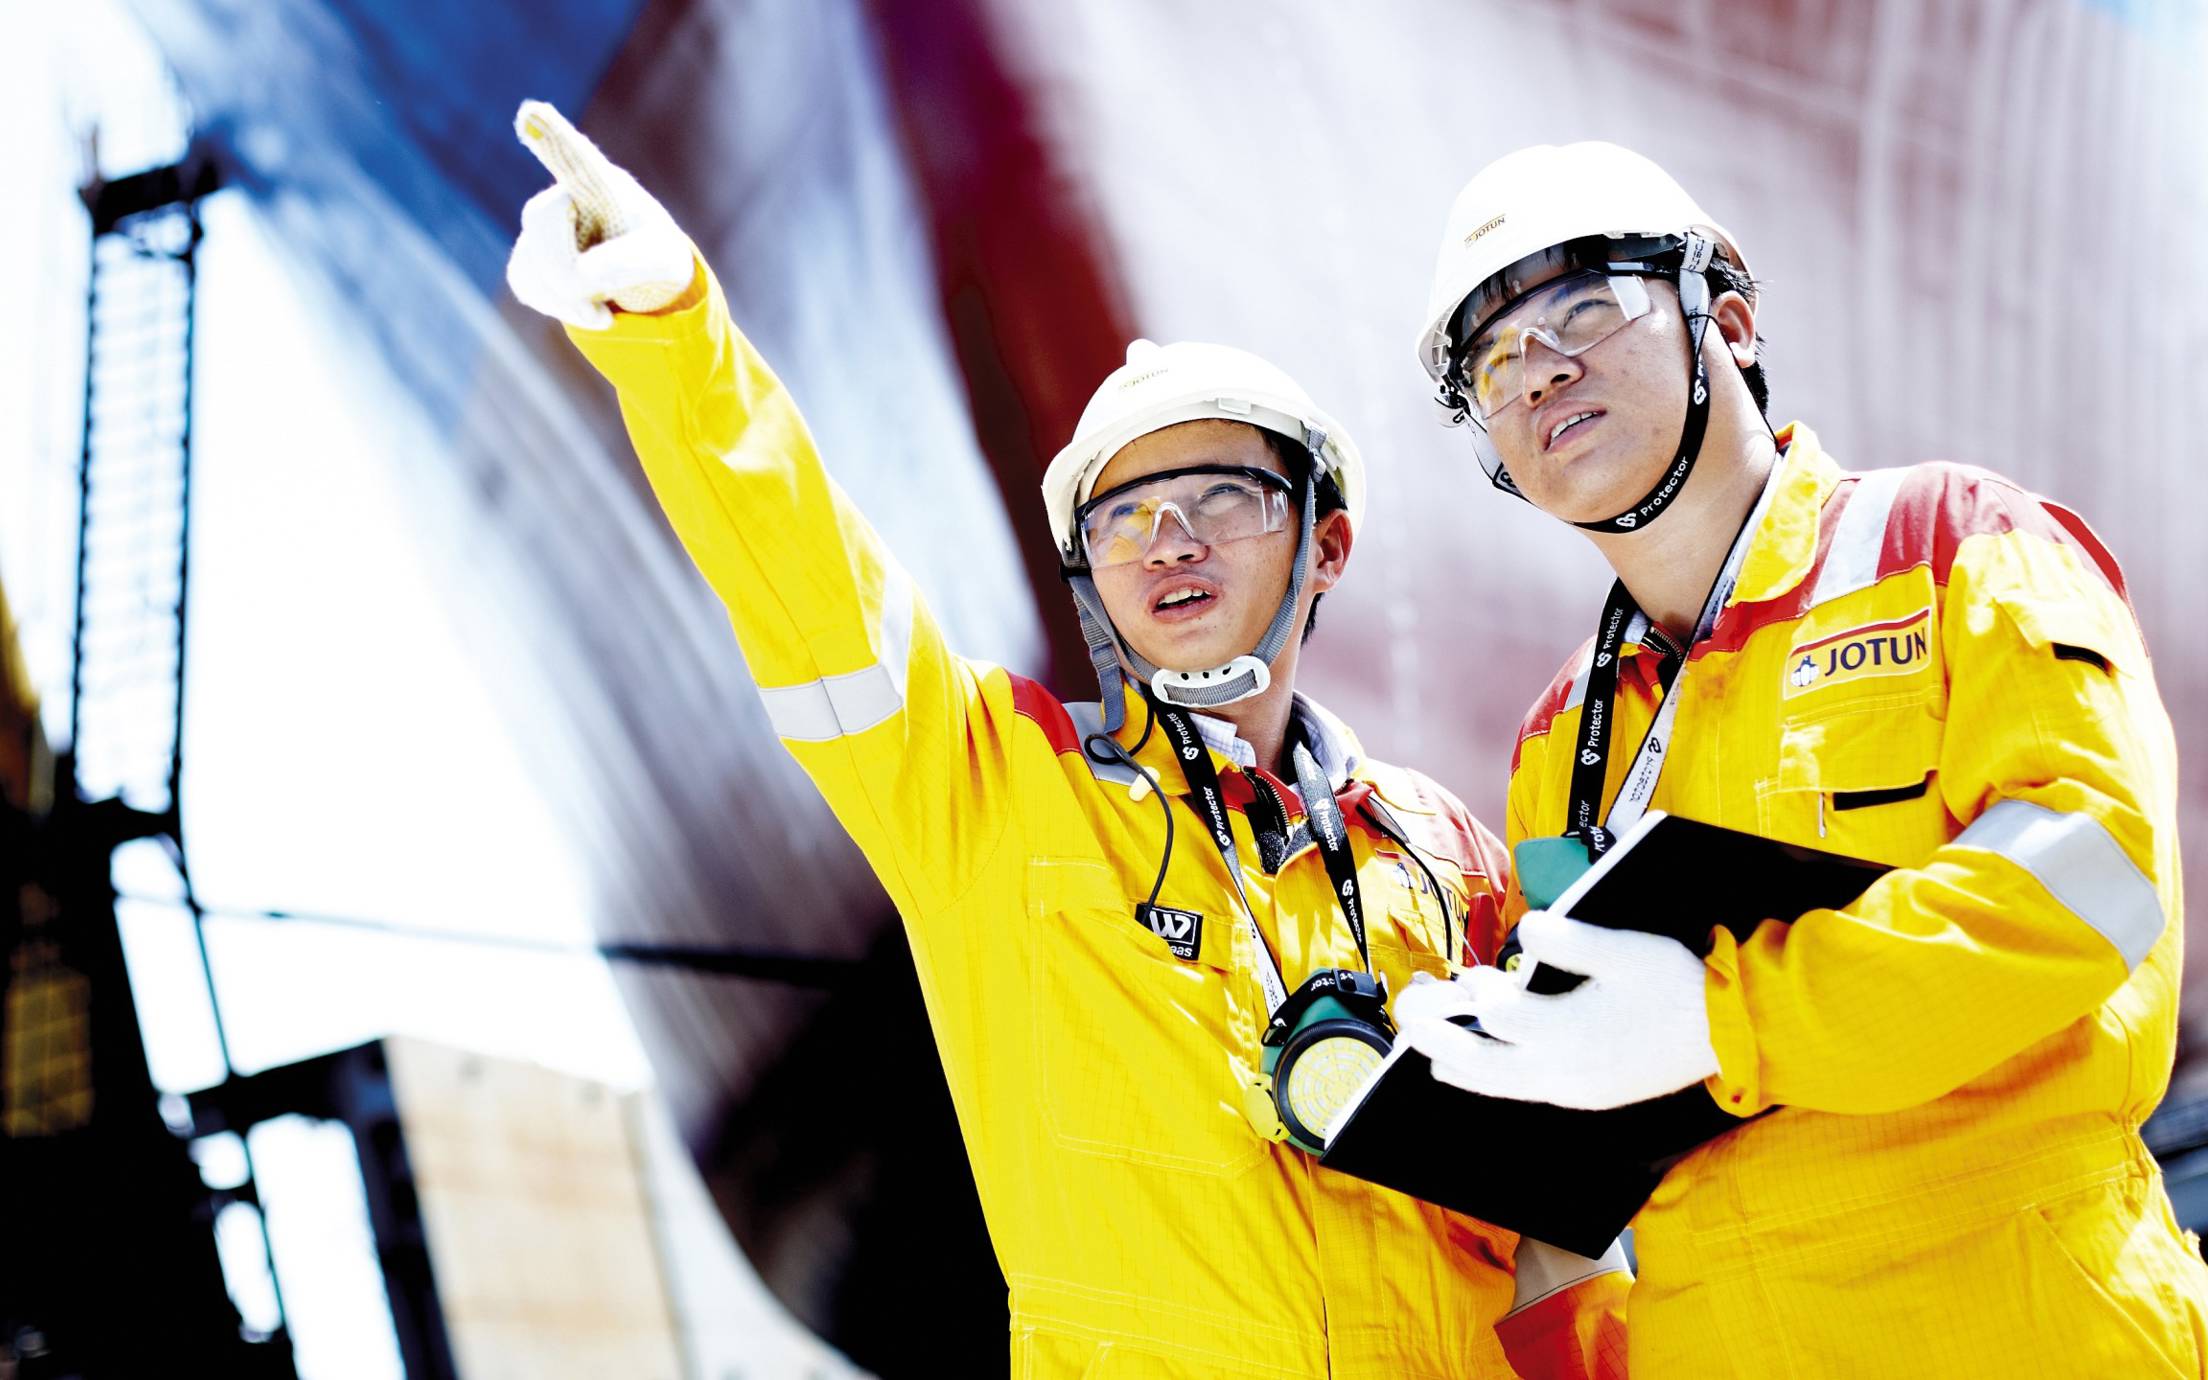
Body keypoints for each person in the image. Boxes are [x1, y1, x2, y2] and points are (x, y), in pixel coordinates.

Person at [504, 105, 1627, 1378]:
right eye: (1126, 519)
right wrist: (674, 335)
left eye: (1222, 497)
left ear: (1327, 543)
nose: (1170, 542)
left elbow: (1562, 1212)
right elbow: (814, 590)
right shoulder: (988, 794)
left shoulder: (1447, 856)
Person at [1400, 139, 2208, 1377]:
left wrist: (1730, 1020)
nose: (1541, 369)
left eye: (1584, 309)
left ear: (1723, 315)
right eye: (1492, 360)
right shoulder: (1564, 735)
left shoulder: (1949, 542)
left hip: (2018, 1310)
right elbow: (1594, 1146)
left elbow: (2096, 881)